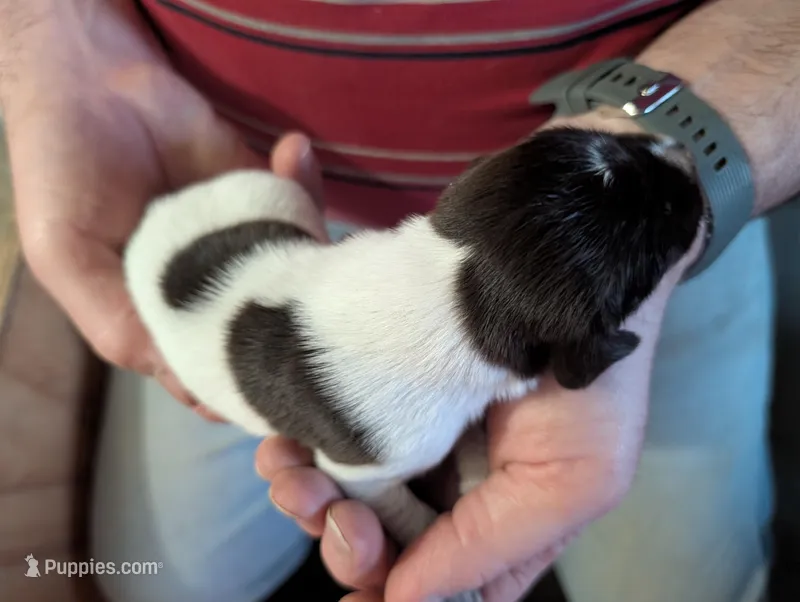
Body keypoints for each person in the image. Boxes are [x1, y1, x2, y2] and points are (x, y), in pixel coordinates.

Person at [1, 0, 796, 601]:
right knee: (156, 581)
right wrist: (52, 34)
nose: (674, 154)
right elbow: (360, 466)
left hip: (247, 225)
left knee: (681, 587)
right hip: (206, 177)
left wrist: (708, 151)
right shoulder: (402, 435)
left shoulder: (396, 275)